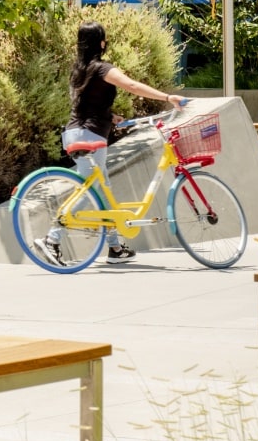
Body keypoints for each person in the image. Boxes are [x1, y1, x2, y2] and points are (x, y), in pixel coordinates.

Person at [55, 21, 184, 264]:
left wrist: (110, 117)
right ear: (101, 43)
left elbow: (86, 105)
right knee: (90, 190)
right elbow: (133, 86)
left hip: (76, 132)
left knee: (103, 192)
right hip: (91, 135)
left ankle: (114, 248)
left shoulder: (79, 70)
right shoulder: (103, 69)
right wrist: (168, 97)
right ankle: (53, 238)